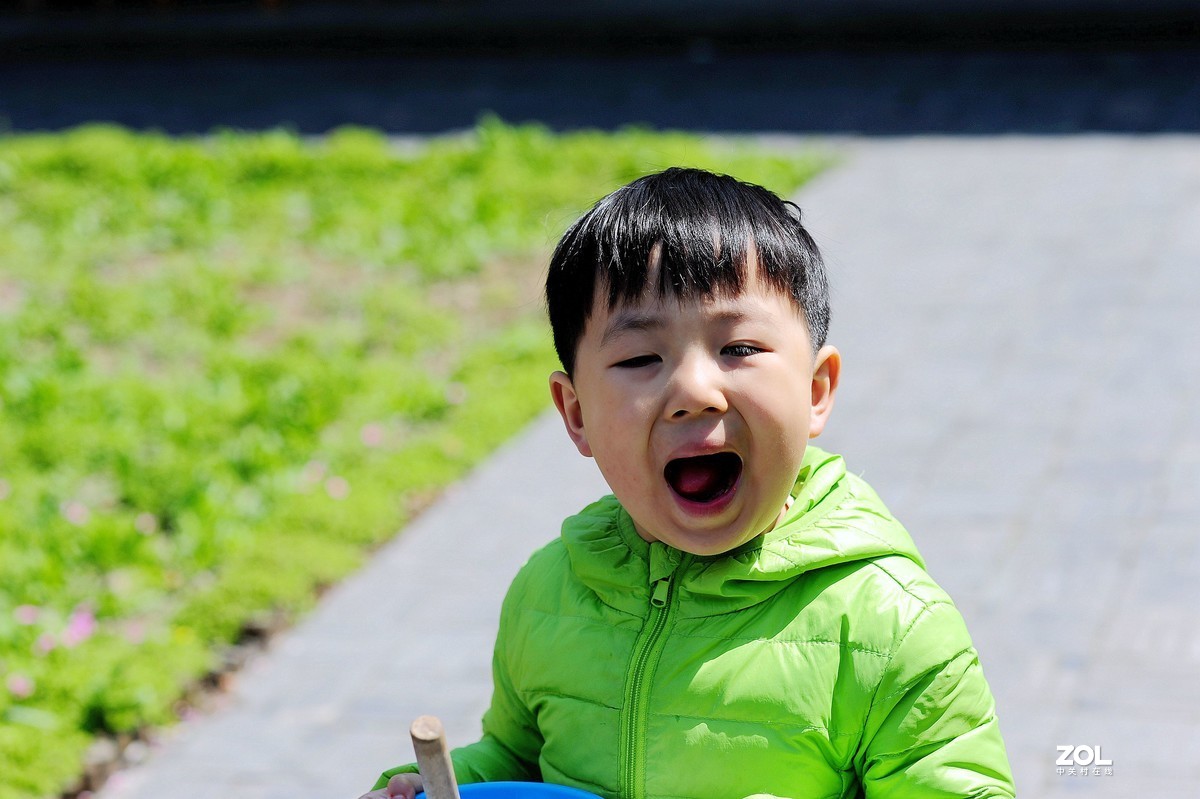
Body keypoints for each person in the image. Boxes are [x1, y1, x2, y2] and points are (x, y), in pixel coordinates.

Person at [361, 168, 1015, 799]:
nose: (695, 392)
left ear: (816, 391)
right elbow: (516, 757)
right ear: (577, 414)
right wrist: (436, 783)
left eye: (739, 349)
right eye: (641, 358)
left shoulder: (890, 623)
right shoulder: (550, 591)